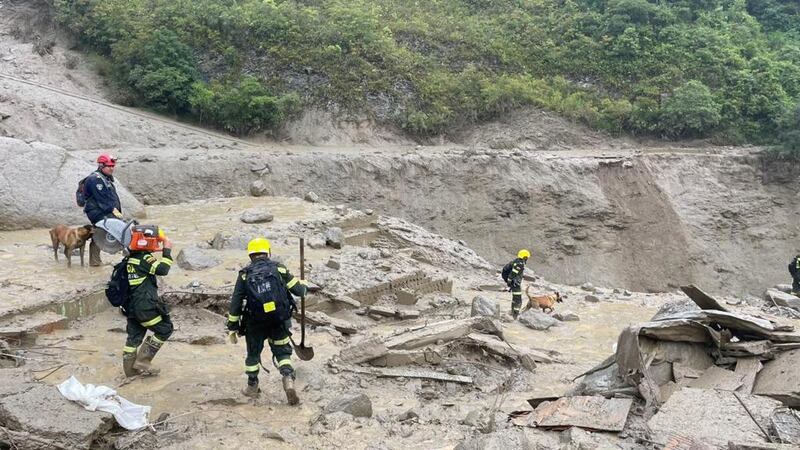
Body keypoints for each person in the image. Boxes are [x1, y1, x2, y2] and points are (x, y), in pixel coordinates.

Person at [226, 238, 307, 405]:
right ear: (267, 252)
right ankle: (288, 379)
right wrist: (303, 285)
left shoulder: (244, 275)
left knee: (253, 354)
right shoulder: (279, 268)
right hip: (279, 320)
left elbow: (236, 302)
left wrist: (232, 327)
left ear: (250, 255)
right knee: (283, 352)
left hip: (255, 323)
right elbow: (299, 291)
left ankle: (252, 387)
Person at [122, 228, 173, 377]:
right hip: (145, 306)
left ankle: (130, 372)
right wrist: (167, 249)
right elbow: (163, 269)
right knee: (165, 329)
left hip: (132, 307)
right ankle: (143, 361)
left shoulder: (130, 259)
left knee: (133, 337)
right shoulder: (144, 259)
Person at [83, 153, 122, 266]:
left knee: (99, 232)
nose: (111, 168)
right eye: (109, 166)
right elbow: (103, 200)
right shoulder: (95, 180)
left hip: (102, 210)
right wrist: (114, 213)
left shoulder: (105, 178)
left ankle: (95, 261)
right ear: (101, 166)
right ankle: (94, 262)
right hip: (98, 212)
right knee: (101, 232)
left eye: (112, 166)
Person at [502, 249, 530, 319]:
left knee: (515, 298)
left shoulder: (517, 261)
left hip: (513, 282)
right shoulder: (519, 264)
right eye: (527, 257)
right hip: (514, 283)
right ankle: (515, 315)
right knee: (518, 299)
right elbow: (513, 273)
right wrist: (509, 281)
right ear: (525, 257)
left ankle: (513, 312)